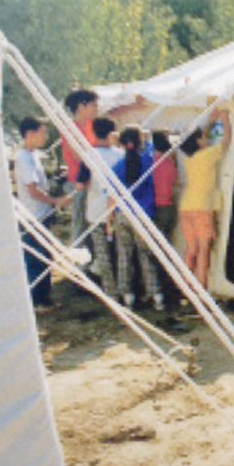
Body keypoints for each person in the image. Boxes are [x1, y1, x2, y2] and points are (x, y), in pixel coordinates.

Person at [14, 117, 71, 309]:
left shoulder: (35, 155)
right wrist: (56, 201)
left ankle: (44, 298)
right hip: (33, 216)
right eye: (43, 133)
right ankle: (37, 301)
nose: (46, 137)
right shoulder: (23, 158)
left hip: (42, 214)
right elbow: (33, 191)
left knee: (45, 257)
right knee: (36, 259)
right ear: (30, 134)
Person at [177, 110, 231, 288]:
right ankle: (201, 288)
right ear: (199, 142)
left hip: (187, 206)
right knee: (204, 249)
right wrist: (225, 120)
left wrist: (210, 123)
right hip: (202, 206)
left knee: (192, 249)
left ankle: (186, 287)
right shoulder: (207, 156)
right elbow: (226, 142)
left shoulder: (190, 158)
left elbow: (199, 139)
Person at [112, 125, 163, 310]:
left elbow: (110, 193)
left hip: (123, 214)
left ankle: (127, 295)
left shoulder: (117, 166)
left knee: (124, 256)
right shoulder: (149, 161)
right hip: (144, 214)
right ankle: (155, 295)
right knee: (146, 256)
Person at [81, 117, 122, 298]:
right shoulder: (120, 154)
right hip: (119, 211)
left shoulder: (89, 155)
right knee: (121, 252)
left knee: (102, 253)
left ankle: (110, 292)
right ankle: (125, 289)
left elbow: (81, 184)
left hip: (96, 211)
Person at [62, 89, 98, 244]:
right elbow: (79, 156)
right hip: (79, 183)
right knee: (80, 225)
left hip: (93, 182)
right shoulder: (71, 129)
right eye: (93, 105)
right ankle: (81, 262)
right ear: (81, 106)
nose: (96, 108)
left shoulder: (93, 125)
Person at [152, 131, 178, 241]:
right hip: (168, 205)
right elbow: (175, 181)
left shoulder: (151, 161)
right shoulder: (171, 162)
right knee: (167, 240)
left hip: (153, 205)